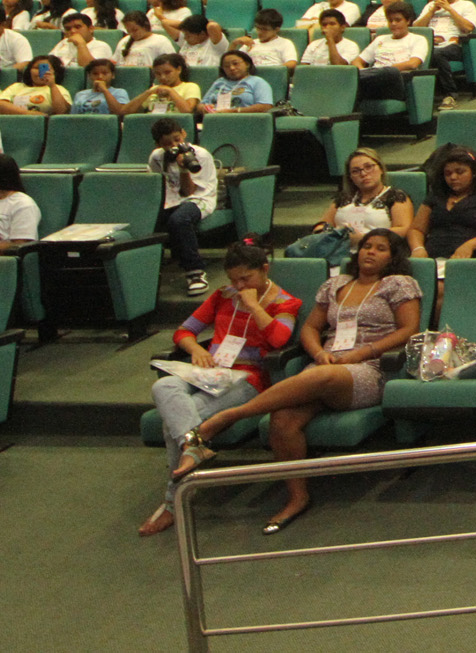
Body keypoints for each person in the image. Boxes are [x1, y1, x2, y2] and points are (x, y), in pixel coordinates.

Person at [177, 229, 422, 533]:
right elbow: (309, 328)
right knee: (282, 419)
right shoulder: (336, 284)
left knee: (322, 376)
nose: (369, 252)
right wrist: (319, 352)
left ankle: (228, 417)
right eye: (366, 246)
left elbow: (409, 329)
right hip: (326, 366)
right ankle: (297, 497)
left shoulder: (399, 284)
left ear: (392, 256)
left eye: (381, 248)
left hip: (372, 368)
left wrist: (361, 353)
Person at [140, 241, 303, 536]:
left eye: (246, 279)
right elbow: (184, 331)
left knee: (173, 423)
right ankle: (194, 447)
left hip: (247, 380)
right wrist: (195, 350)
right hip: (208, 371)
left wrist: (254, 305)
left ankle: (171, 502)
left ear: (264, 270)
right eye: (233, 280)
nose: (239, 286)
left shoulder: (285, 302)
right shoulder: (221, 296)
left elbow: (280, 339)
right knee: (164, 386)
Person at [295, 149, 415, 264]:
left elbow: (402, 229)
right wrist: (329, 233)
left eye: (369, 167)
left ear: (381, 169)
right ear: (350, 177)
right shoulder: (344, 198)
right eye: (356, 171)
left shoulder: (395, 196)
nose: (363, 173)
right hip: (339, 253)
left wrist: (364, 238)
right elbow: (323, 224)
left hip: (377, 256)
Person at [147, 118, 220, 293]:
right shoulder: (157, 157)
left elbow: (188, 192)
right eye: (167, 143)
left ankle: (195, 272)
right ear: (158, 144)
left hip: (199, 199)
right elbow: (157, 186)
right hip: (171, 200)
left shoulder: (200, 155)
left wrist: (183, 168)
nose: (174, 145)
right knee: (147, 219)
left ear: (184, 134)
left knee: (179, 219)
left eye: (177, 139)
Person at [409, 146, 476, 260]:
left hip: (469, 258)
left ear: (474, 172)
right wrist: (418, 248)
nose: (453, 177)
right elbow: (417, 229)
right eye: (448, 173)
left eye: (460, 172)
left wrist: (470, 245)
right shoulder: (437, 194)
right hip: (431, 257)